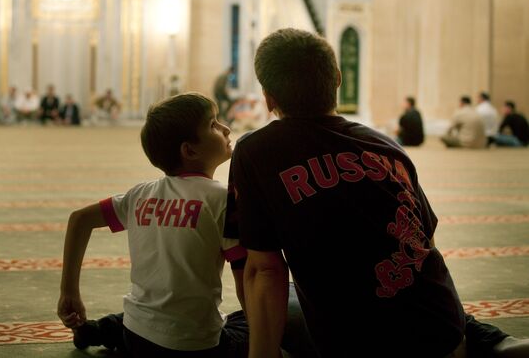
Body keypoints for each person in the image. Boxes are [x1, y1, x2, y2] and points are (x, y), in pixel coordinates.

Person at [233, 27, 467, 358]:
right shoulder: (386, 146)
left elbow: (265, 269)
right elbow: (425, 240)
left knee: (247, 316)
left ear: (268, 98)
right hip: (444, 329)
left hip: (357, 343)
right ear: (338, 80)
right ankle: (488, 339)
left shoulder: (255, 151)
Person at [57, 92, 249, 358]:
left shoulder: (140, 194)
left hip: (137, 336)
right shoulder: (224, 200)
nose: (226, 128)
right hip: (197, 346)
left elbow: (80, 219)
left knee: (141, 314)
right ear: (189, 150)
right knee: (257, 319)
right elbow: (248, 280)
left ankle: (96, 330)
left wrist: (69, 292)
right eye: (213, 124)